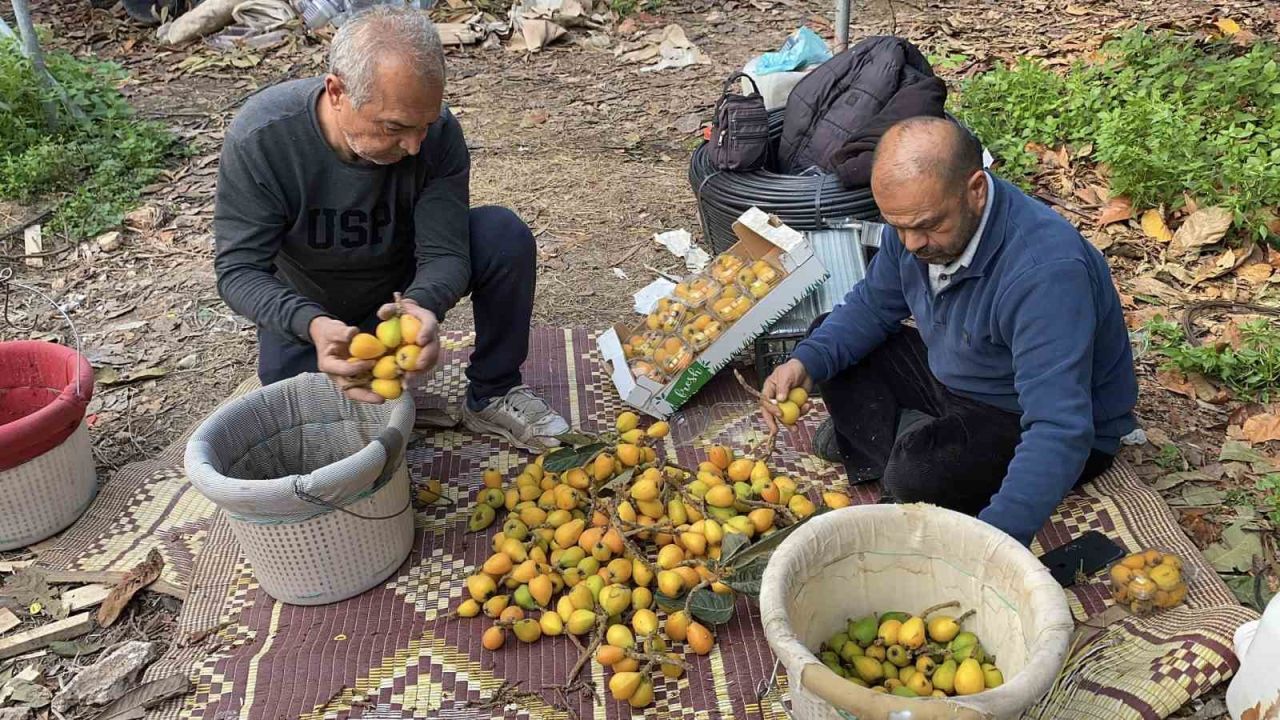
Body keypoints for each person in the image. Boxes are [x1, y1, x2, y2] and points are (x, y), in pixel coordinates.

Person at [760, 116, 1138, 545]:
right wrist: (805, 363)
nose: (911, 243)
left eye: (927, 225)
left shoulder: (1045, 272)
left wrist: (995, 543)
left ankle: (901, 442)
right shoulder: (915, 222)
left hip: (1020, 410)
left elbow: (1059, 427)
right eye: (898, 226)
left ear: (975, 190)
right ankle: (908, 436)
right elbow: (873, 306)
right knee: (826, 338)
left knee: (915, 475)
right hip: (963, 369)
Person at [213, 6, 569, 452]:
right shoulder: (265, 139)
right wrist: (312, 324)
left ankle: (494, 390)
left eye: (425, 125)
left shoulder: (438, 136)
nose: (414, 145)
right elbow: (239, 270)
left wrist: (421, 305)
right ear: (337, 92)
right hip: (314, 310)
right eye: (395, 127)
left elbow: (444, 252)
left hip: (398, 293)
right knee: (317, 440)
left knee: (502, 235)